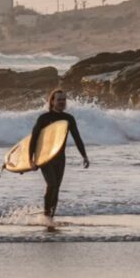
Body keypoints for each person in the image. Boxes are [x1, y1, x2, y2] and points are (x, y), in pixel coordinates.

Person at [28, 89, 89, 219]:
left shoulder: (68, 118)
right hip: (45, 157)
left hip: (60, 158)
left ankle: (51, 216)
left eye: (63, 99)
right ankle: (46, 214)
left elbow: (77, 138)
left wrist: (84, 156)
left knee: (56, 188)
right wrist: (30, 160)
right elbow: (33, 139)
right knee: (52, 184)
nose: (62, 102)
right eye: (59, 99)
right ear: (52, 101)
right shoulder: (44, 118)